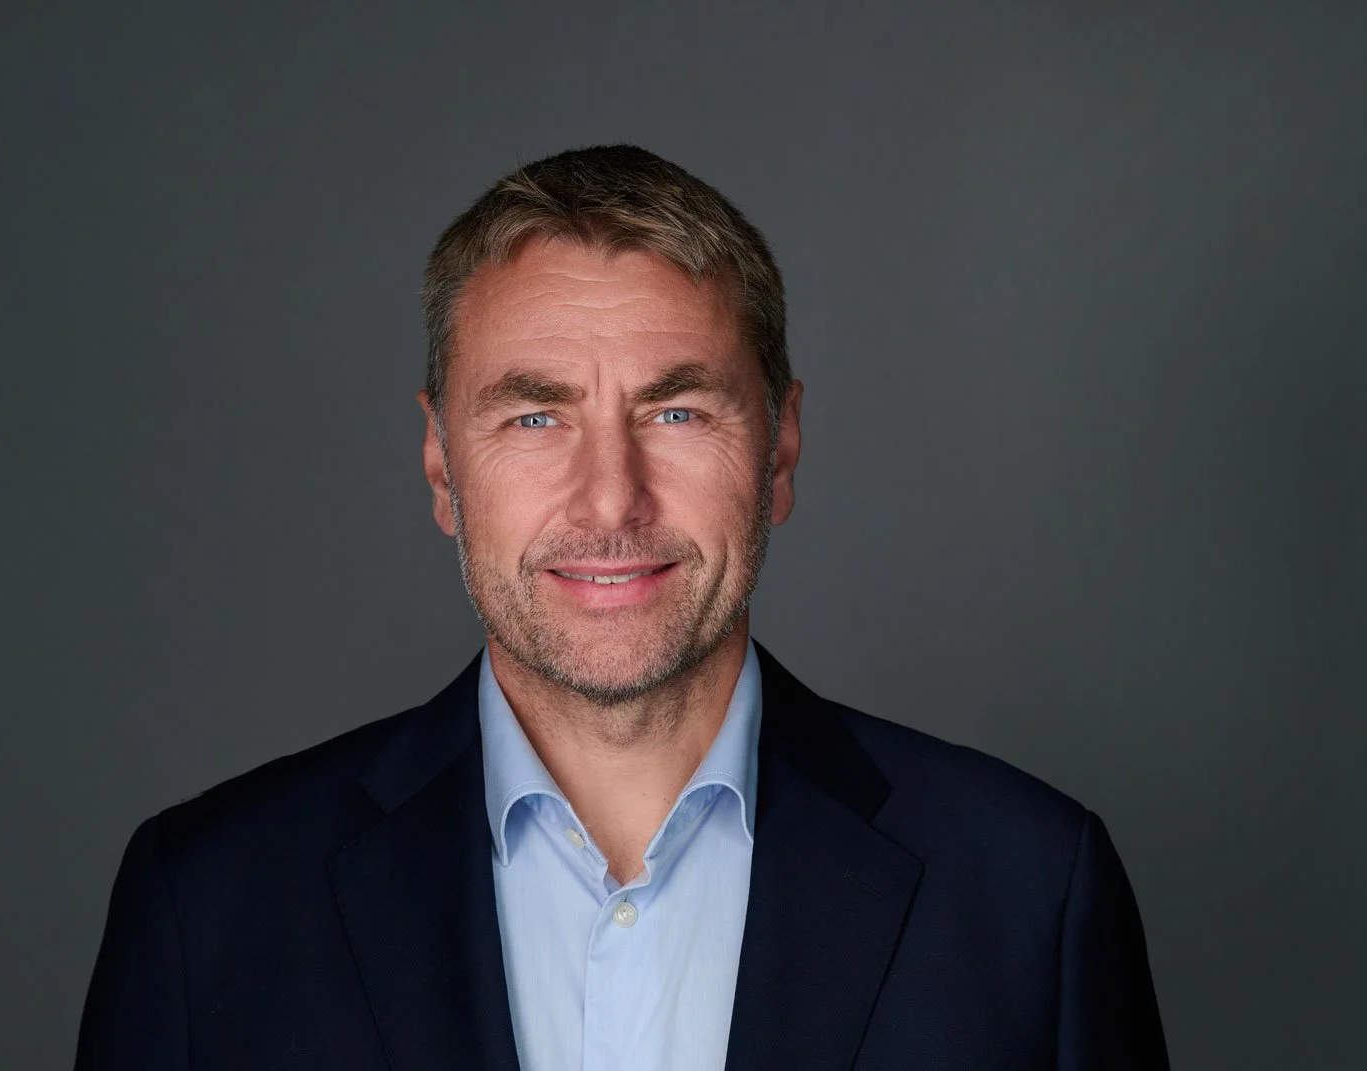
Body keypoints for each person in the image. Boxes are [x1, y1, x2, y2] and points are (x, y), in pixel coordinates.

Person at [75, 145, 1168, 1069]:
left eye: (679, 412)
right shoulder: (207, 907)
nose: (611, 498)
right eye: (535, 419)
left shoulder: (1030, 895)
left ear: (780, 448)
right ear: (441, 465)